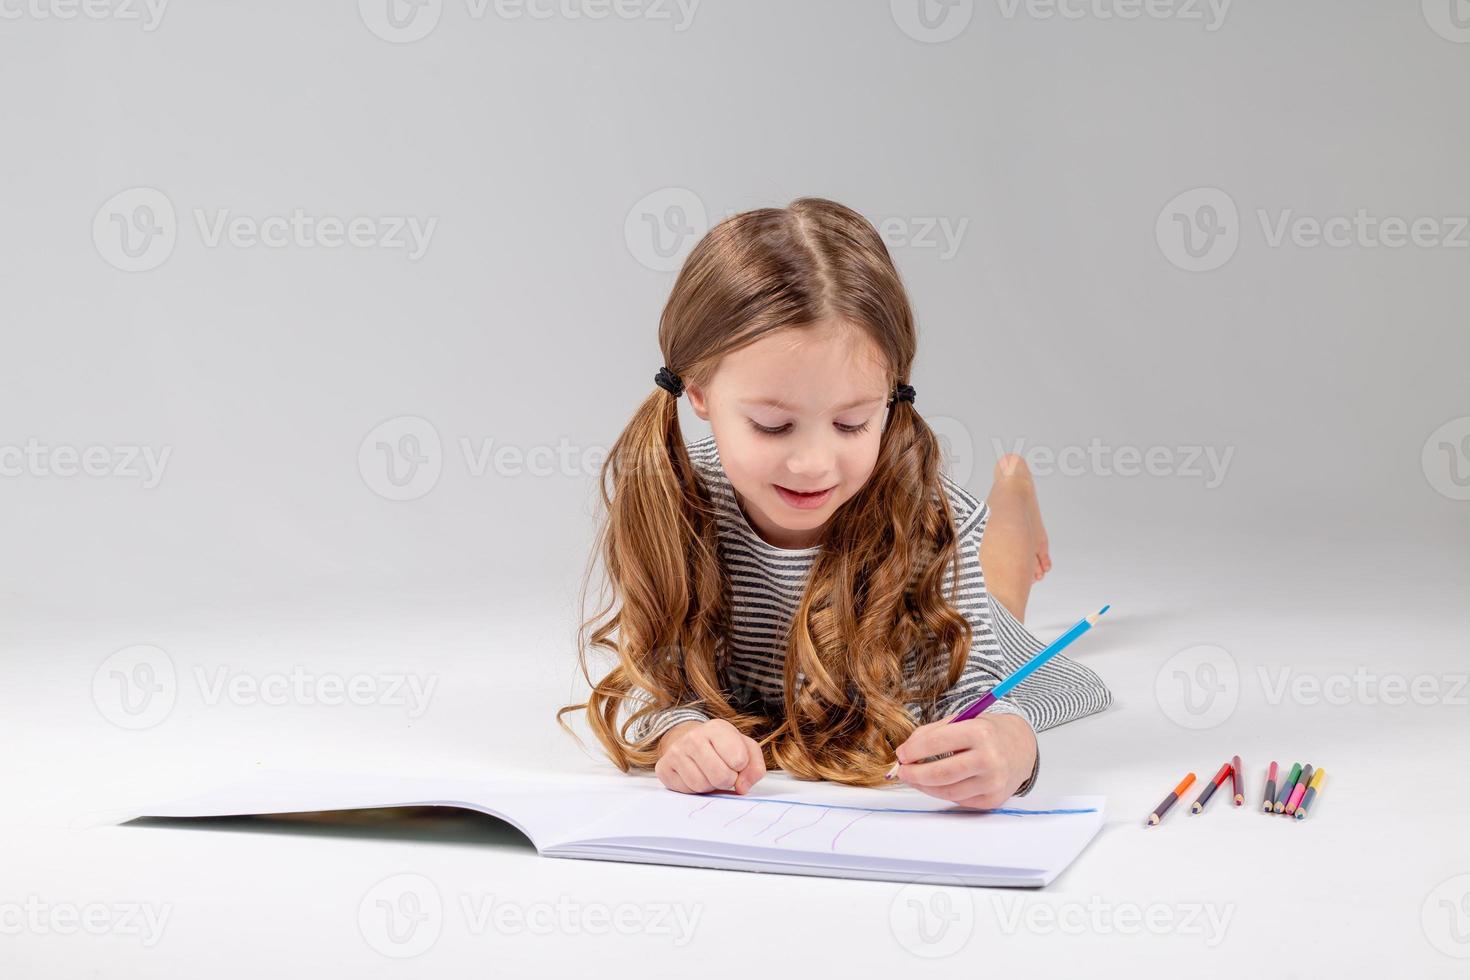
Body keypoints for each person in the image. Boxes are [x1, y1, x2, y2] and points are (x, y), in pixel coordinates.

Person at [557, 197, 1111, 809]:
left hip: (940, 597)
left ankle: (1010, 494)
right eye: (772, 425)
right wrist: (681, 734)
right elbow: (649, 674)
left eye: (851, 424)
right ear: (698, 392)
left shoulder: (924, 519)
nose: (814, 464)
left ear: (890, 400)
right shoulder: (672, 502)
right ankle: (1007, 495)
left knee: (1003, 615)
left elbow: (971, 690)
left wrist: (1010, 744)